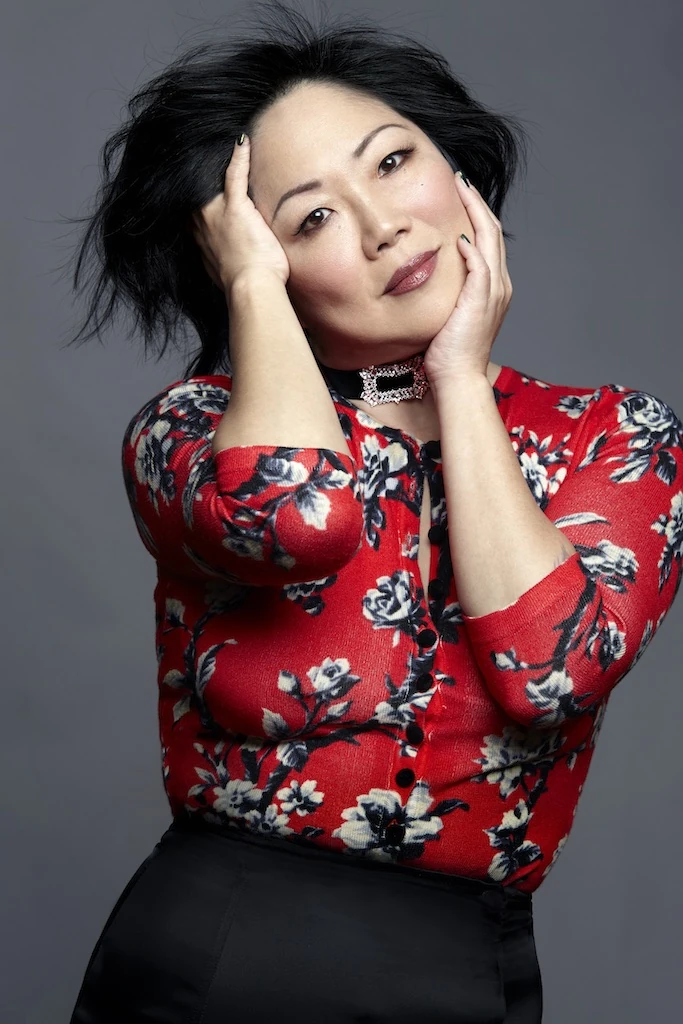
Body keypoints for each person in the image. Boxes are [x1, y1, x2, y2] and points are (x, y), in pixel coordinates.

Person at [64, 2, 683, 1021]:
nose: (383, 224)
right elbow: (296, 515)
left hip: (466, 969)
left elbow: (548, 672)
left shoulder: (611, 436)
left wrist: (460, 381)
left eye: (393, 162)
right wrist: (251, 293)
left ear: (455, 166)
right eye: (309, 219)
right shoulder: (191, 431)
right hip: (213, 958)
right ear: (256, 265)